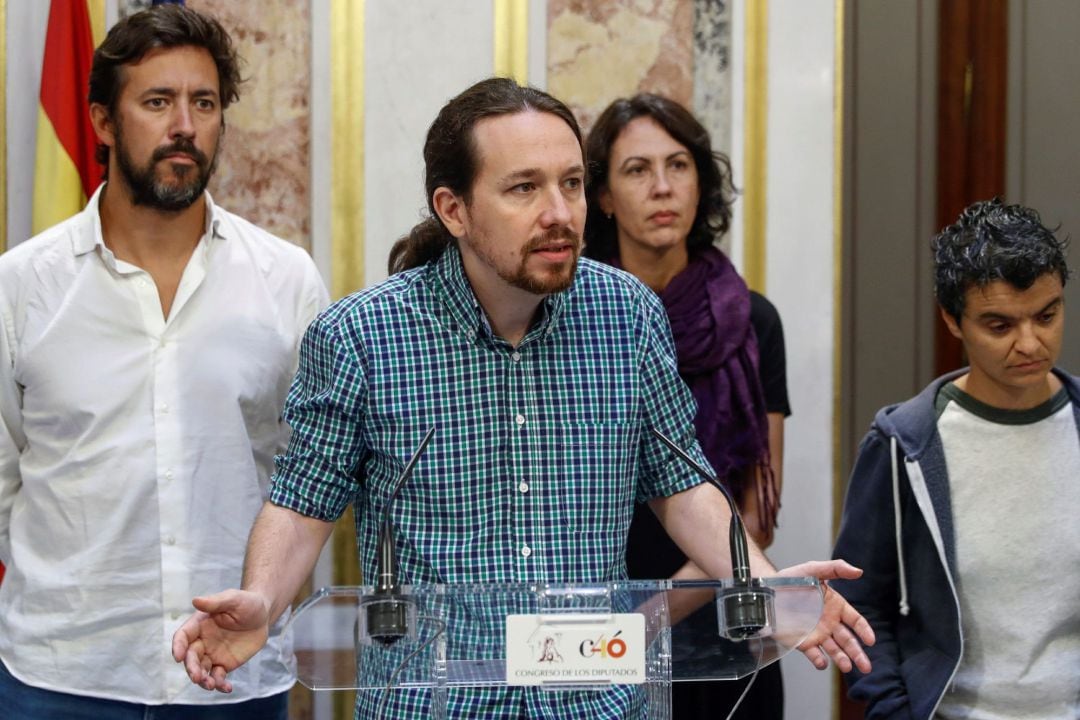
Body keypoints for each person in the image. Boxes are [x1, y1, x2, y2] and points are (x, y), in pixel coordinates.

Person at [171, 77, 874, 719]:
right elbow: (303, 503)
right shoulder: (361, 336)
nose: (559, 213)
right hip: (436, 705)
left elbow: (683, 486)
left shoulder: (627, 316)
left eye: (571, 184)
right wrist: (263, 599)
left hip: (597, 703)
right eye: (524, 189)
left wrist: (770, 589)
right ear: (454, 208)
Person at [0, 5, 328, 719]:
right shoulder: (21, 286)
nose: (184, 124)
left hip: (233, 678)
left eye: (203, 103)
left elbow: (308, 473)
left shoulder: (285, 279)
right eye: (157, 102)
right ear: (103, 122)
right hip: (60, 679)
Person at [832, 198, 1080, 719]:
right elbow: (858, 604)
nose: (1029, 343)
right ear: (953, 320)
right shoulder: (904, 443)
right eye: (999, 325)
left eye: (1047, 315)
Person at [584, 93, 789, 719]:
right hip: (592, 621)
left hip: (724, 616)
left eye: (678, 166)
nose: (662, 187)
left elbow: (754, 518)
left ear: (701, 185)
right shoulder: (571, 320)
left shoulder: (751, 319)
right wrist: (625, 626)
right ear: (604, 197)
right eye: (638, 170)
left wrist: (655, 616)